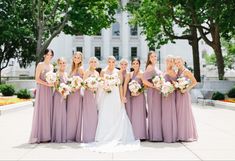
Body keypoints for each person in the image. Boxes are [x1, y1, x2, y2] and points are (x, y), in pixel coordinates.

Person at [29, 49, 54, 143]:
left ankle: (47, 135)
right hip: (42, 89)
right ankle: (41, 135)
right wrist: (47, 84)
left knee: (48, 111)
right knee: (42, 110)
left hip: (49, 90)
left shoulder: (51, 66)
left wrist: (52, 83)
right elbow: (37, 79)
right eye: (48, 54)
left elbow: (52, 78)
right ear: (44, 55)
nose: (49, 56)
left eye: (51, 55)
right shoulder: (40, 65)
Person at [174, 57, 198, 142]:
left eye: (179, 62)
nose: (177, 64)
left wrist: (186, 89)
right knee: (178, 114)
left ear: (183, 62)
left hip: (184, 95)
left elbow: (194, 82)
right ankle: (179, 134)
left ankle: (186, 134)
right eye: (176, 63)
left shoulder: (186, 71)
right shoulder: (176, 72)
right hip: (177, 95)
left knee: (184, 114)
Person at [66, 52, 84, 142]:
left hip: (76, 94)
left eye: (78, 57)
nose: (76, 59)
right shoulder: (71, 69)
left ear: (81, 59)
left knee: (75, 114)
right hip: (70, 94)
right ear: (73, 58)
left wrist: (75, 89)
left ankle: (75, 135)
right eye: (75, 57)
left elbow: (82, 82)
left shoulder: (80, 69)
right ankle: (70, 134)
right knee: (70, 114)